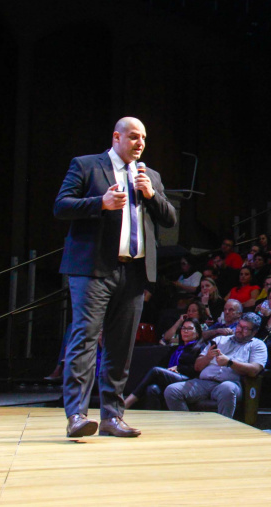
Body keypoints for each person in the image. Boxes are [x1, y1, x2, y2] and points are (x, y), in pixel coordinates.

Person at [54, 116, 177, 438]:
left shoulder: (149, 176)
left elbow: (170, 219)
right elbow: (61, 206)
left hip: (134, 271)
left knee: (121, 349)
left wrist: (152, 195)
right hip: (93, 268)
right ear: (117, 137)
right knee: (84, 340)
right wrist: (101, 203)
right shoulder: (86, 166)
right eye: (134, 137)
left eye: (144, 138)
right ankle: (77, 416)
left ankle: (112, 417)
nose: (140, 143)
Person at [164, 312, 267, 419]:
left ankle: (223, 431)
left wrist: (229, 362)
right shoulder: (219, 340)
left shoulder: (257, 345)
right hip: (204, 382)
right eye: (239, 326)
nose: (240, 330)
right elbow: (197, 367)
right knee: (172, 390)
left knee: (227, 388)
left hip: (231, 383)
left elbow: (255, 370)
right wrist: (207, 357)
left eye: (245, 328)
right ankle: (187, 425)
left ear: (254, 332)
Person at [124, 319, 204, 410]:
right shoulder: (175, 349)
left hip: (187, 380)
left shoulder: (199, 348)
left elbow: (196, 368)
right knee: (152, 389)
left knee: (155, 370)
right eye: (183, 328)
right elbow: (163, 365)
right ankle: (152, 420)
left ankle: (128, 402)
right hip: (171, 376)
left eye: (189, 329)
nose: (185, 331)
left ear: (197, 333)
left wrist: (178, 368)